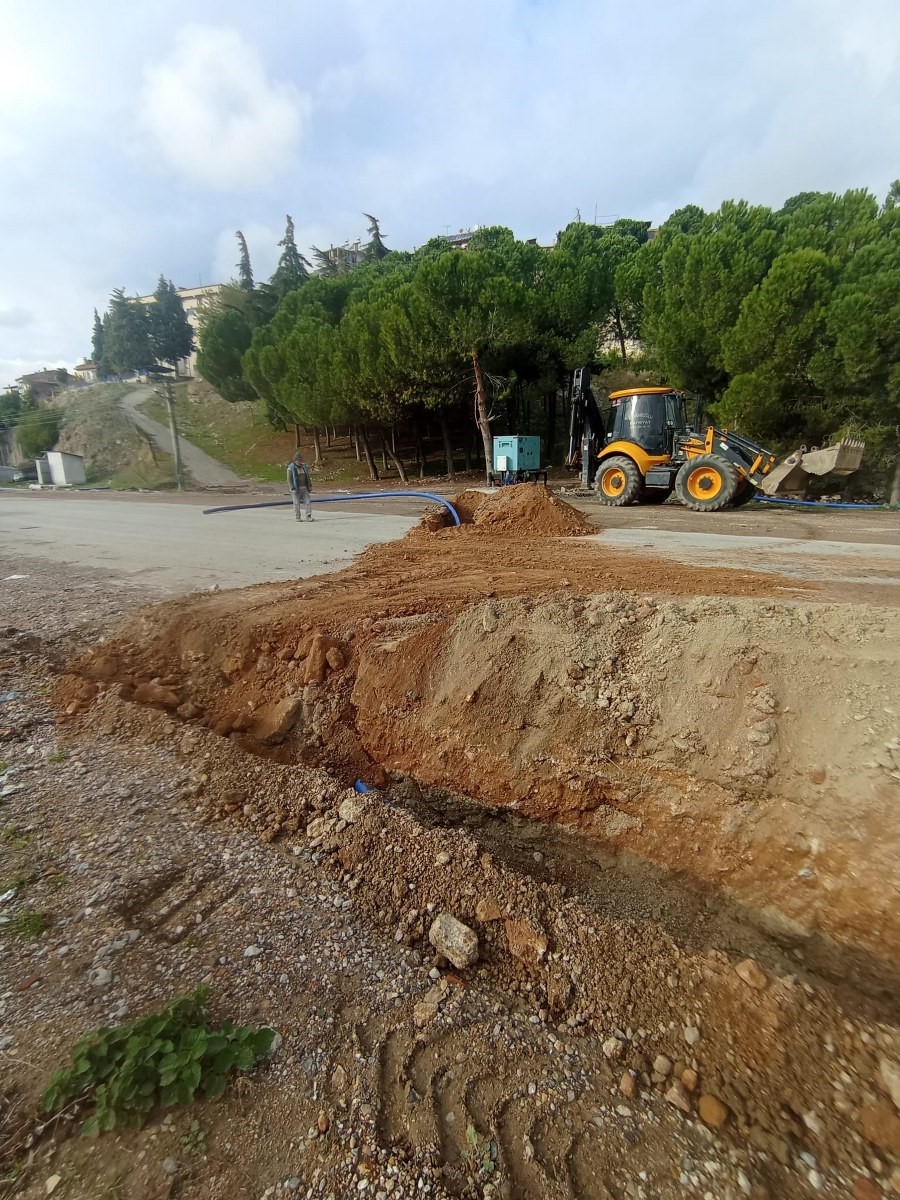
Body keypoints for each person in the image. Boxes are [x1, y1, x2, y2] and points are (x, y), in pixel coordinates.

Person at [287, 452, 313, 522]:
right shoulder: (290, 468)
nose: (299, 462)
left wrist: (309, 486)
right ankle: (297, 517)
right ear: (295, 461)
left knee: (308, 502)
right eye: (298, 460)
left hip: (304, 488)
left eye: (300, 460)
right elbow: (289, 480)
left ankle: (308, 516)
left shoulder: (304, 467)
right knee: (296, 503)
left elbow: (307, 477)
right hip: (296, 489)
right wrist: (292, 488)